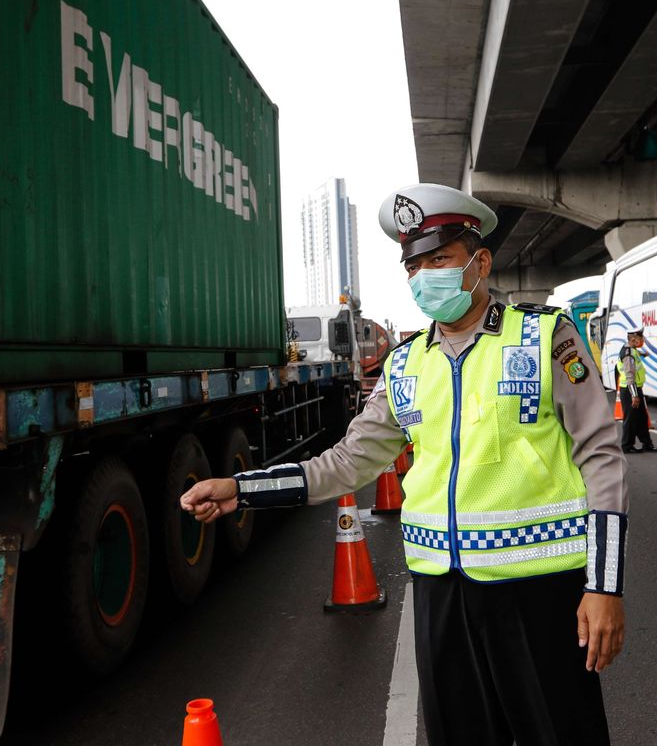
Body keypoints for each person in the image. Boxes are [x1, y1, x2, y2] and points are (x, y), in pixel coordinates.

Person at [182, 183, 629, 746]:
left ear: (480, 261)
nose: (424, 277)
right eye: (413, 266)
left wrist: (605, 585)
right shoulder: (404, 366)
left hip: (539, 592)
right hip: (441, 596)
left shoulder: (545, 337)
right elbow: (346, 462)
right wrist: (242, 489)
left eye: (439, 259)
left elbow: (601, 454)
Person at [617, 327, 657, 454]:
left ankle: (647, 444)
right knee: (631, 419)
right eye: (640, 338)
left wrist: (643, 354)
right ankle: (627, 446)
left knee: (641, 417)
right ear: (633, 339)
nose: (642, 340)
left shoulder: (631, 350)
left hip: (635, 389)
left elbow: (634, 355)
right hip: (630, 390)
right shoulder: (628, 354)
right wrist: (635, 395)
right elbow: (630, 375)